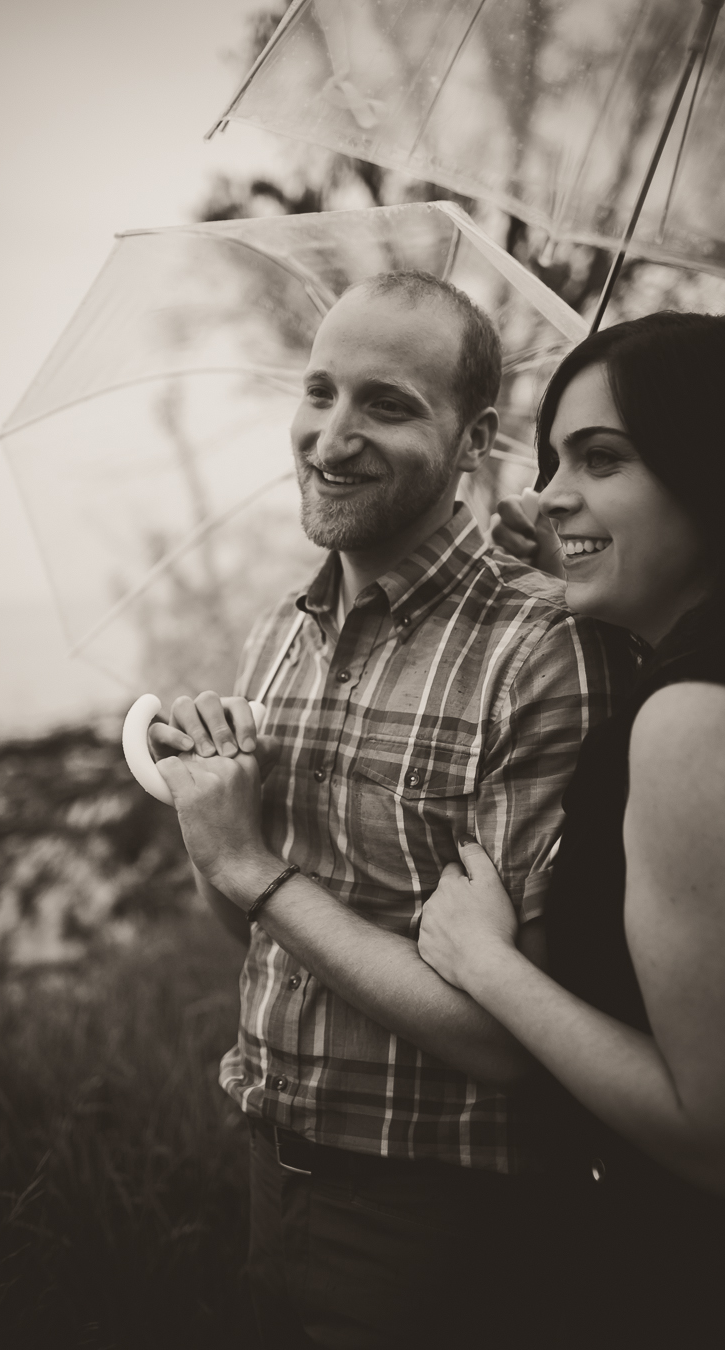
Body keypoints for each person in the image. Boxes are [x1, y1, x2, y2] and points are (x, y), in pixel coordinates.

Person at [150, 270, 626, 1347]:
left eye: (387, 404)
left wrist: (251, 868)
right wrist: (214, 825)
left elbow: (514, 1036)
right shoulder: (282, 630)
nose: (331, 435)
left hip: (444, 1221)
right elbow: (259, 933)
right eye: (319, 392)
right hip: (274, 1174)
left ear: (475, 439)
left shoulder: (544, 652)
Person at [417, 311, 725, 1347]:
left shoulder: (691, 721)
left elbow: (709, 1134)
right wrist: (582, 550)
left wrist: (484, 963)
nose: (549, 492)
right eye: (552, 459)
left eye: (602, 456)